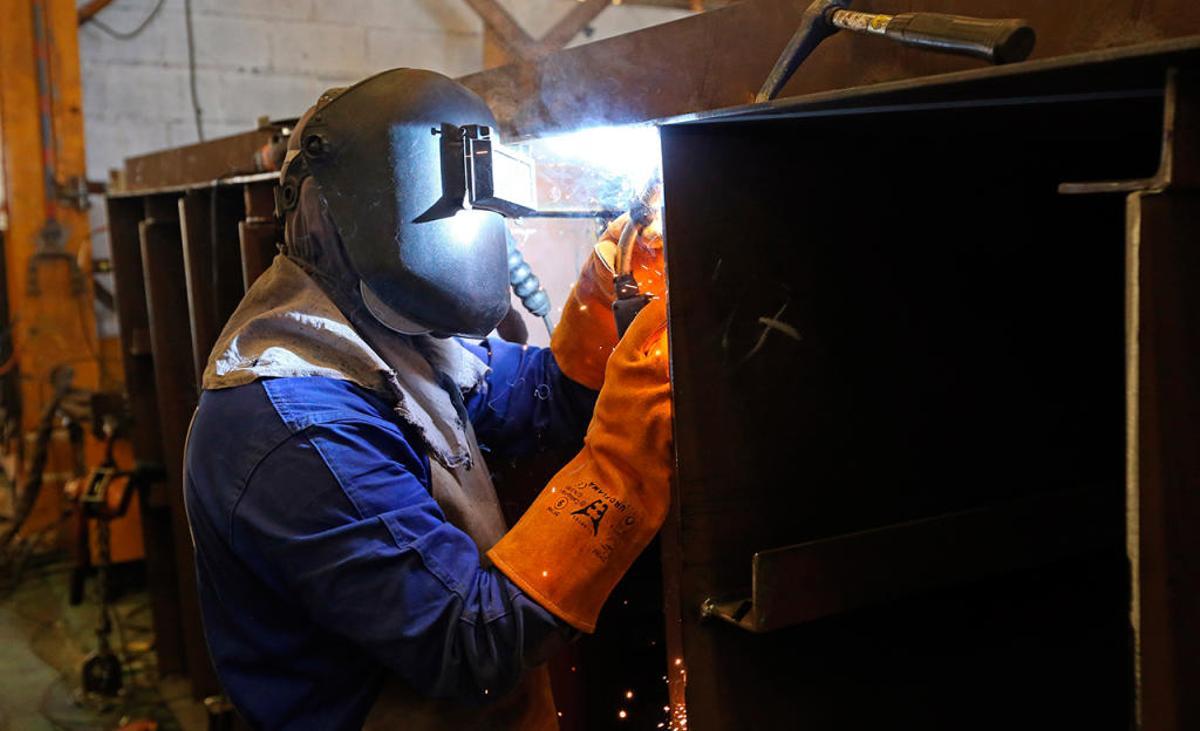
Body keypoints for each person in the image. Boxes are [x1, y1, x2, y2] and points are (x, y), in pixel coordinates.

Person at [183, 68, 672, 730]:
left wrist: (605, 284)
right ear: (363, 204)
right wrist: (623, 471)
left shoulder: (389, 334)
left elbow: (544, 402)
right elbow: (474, 642)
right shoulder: (298, 427)